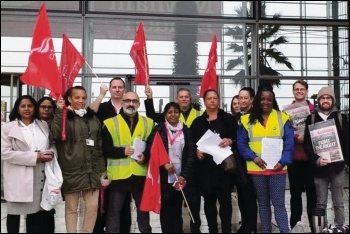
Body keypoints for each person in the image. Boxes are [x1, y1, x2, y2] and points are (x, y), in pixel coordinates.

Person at [237, 83, 294, 233]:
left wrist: (283, 162)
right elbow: (241, 144)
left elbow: (289, 144)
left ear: (273, 100)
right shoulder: (246, 119)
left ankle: (284, 231)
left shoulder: (283, 117)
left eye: (269, 99)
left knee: (279, 203)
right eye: (262, 99)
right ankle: (266, 230)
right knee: (263, 204)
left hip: (278, 169)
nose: (265, 102)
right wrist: (253, 158)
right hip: (257, 169)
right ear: (257, 100)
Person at [145, 86, 203, 233]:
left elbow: (190, 154)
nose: (173, 115)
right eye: (169, 112)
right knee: (166, 209)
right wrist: (164, 163)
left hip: (182, 177)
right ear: (165, 114)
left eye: (175, 112)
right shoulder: (159, 129)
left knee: (178, 209)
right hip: (165, 177)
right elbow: (152, 149)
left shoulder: (186, 130)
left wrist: (184, 175)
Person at [52, 86, 105, 233]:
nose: (81, 101)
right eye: (77, 97)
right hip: (71, 171)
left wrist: (102, 170)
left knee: (92, 207)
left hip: (92, 172)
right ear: (69, 99)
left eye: (83, 97)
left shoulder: (93, 118)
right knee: (71, 209)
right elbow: (55, 134)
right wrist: (58, 111)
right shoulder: (63, 117)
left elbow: (99, 145)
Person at [1, 95, 56, 233]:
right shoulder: (7, 128)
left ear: (34, 108)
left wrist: (51, 153)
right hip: (17, 175)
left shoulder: (42, 125)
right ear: (18, 109)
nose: (27, 109)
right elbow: (5, 153)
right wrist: (35, 156)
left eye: (30, 106)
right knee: (14, 213)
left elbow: (51, 143)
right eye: (23, 106)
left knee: (36, 212)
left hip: (40, 173)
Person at [102, 91, 153, 233]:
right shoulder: (109, 123)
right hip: (118, 176)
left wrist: (146, 155)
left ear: (139, 103)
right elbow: (104, 149)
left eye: (134, 101)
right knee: (114, 212)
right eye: (128, 101)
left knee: (143, 212)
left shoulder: (148, 123)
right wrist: (121, 151)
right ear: (122, 102)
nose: (131, 104)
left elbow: (152, 146)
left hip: (140, 175)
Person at [190, 89, 238, 233]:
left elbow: (239, 139)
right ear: (204, 101)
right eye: (209, 98)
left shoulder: (228, 119)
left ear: (218, 100)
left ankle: (226, 229)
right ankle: (212, 229)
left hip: (223, 168)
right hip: (205, 169)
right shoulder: (198, 122)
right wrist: (196, 151)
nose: (212, 101)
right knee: (208, 202)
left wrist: (230, 140)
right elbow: (190, 142)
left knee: (225, 202)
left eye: (215, 98)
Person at [89, 77, 132, 233]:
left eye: (120, 87)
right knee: (103, 201)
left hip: (125, 162)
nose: (117, 90)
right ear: (110, 89)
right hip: (104, 158)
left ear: (124, 89)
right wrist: (101, 95)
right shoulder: (103, 107)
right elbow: (90, 112)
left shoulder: (129, 108)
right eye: (114, 87)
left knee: (123, 202)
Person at [303, 86, 349, 231]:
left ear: (333, 100)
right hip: (319, 167)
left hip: (337, 167)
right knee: (321, 202)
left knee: (339, 202)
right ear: (318, 100)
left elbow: (347, 142)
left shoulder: (341, 118)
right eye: (322, 98)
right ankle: (322, 229)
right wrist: (316, 160)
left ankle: (340, 227)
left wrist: (344, 162)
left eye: (328, 98)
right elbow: (307, 144)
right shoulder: (311, 118)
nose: (325, 100)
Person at [284, 80, 316, 232]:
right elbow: (285, 132)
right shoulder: (286, 112)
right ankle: (295, 226)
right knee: (295, 194)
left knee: (312, 194)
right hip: (294, 158)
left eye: (302, 89)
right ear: (293, 92)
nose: (299, 91)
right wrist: (297, 138)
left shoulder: (313, 110)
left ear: (307, 91)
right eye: (296, 89)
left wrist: (307, 137)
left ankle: (315, 226)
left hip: (310, 158)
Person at [233, 86, 258, 233]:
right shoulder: (235, 117)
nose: (242, 101)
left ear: (252, 100)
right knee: (241, 195)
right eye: (240, 98)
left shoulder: (255, 117)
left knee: (250, 196)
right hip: (238, 163)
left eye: (245, 98)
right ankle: (245, 224)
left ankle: (252, 226)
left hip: (253, 161)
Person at [37, 96, 58, 232]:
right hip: (36, 167)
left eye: (49, 107)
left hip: (52, 167)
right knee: (35, 206)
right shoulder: (33, 124)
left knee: (50, 202)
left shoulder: (57, 123)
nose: (46, 109)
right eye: (43, 106)